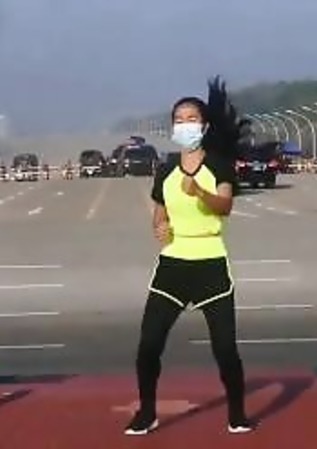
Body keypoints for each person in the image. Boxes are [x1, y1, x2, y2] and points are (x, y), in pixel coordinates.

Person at [125, 77, 253, 436]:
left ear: (205, 126)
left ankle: (237, 414)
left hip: (211, 264)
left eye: (192, 119)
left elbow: (224, 205)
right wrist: (160, 228)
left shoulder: (219, 167)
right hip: (173, 266)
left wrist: (199, 191)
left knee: (225, 350)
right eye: (179, 120)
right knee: (148, 346)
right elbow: (159, 213)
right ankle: (147, 413)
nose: (185, 125)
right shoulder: (166, 170)